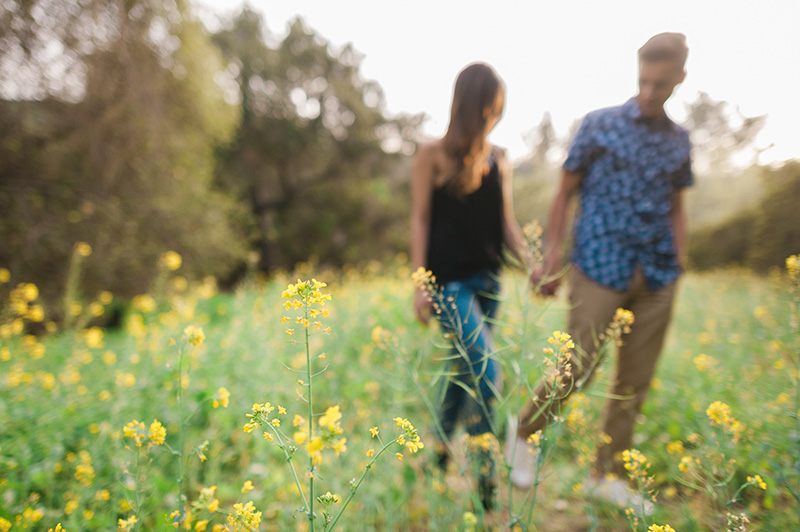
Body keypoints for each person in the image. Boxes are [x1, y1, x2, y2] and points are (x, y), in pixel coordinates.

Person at [508, 33, 693, 511]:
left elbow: (677, 206)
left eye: (661, 84)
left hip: (657, 273)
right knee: (579, 366)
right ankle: (524, 431)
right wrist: (552, 256)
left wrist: (680, 259)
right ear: (637, 73)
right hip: (598, 263)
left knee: (634, 382)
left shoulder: (680, 140)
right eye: (644, 81)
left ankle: (606, 474)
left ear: (680, 79)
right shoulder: (599, 124)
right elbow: (564, 191)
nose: (650, 92)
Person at [410, 62, 529, 510]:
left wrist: (533, 264)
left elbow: (507, 223)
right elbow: (420, 218)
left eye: (496, 110)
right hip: (448, 283)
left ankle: (439, 456)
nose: (491, 117)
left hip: (489, 280)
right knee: (486, 371)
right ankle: (486, 483)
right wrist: (420, 283)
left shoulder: (499, 158)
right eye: (486, 108)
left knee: (463, 375)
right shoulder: (431, 154)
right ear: (467, 106)